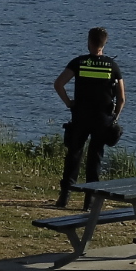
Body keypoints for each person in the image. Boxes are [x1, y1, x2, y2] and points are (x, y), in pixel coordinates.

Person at [50, 27, 124, 209]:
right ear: (104, 43)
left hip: (80, 117)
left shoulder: (79, 62)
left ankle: (64, 197)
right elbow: (122, 98)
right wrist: (115, 117)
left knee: (74, 155)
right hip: (102, 119)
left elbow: (58, 84)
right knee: (95, 158)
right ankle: (89, 201)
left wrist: (69, 103)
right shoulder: (112, 66)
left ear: (89, 42)